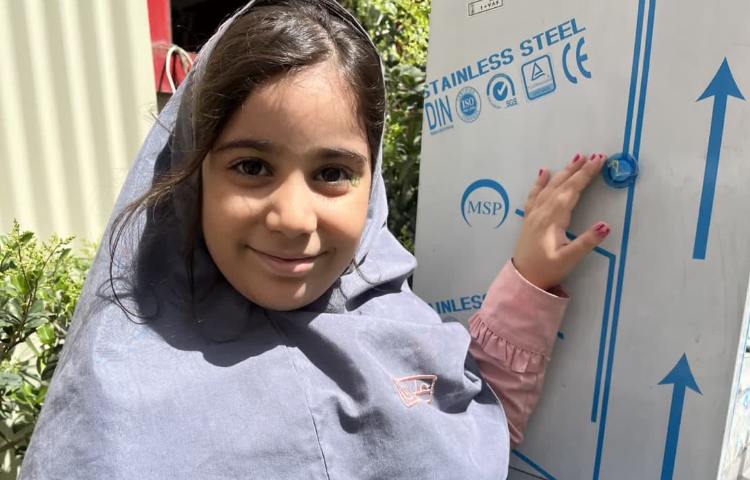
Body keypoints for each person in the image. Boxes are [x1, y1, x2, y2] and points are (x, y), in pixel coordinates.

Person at [20, 1, 610, 478]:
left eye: (332, 173)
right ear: (194, 175)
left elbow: (474, 431)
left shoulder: (395, 328)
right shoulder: (121, 400)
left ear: (371, 185)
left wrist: (529, 282)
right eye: (252, 167)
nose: (294, 218)